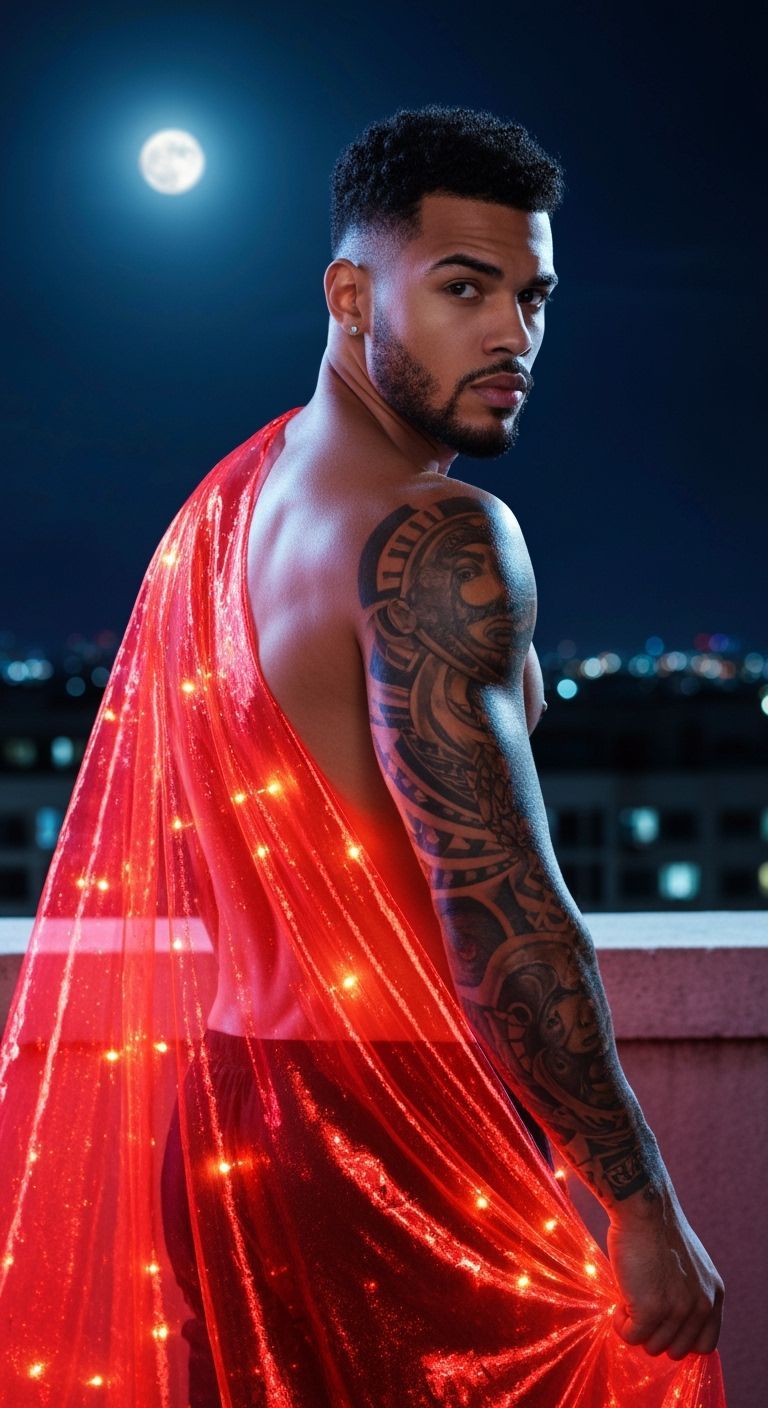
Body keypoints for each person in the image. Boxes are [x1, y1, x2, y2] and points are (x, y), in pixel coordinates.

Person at [0, 105, 725, 1407]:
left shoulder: (230, 511)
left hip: (231, 1131)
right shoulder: (434, 535)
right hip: (398, 1150)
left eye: (533, 294)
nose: (513, 335)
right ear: (349, 294)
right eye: (462, 288)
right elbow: (498, 902)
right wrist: (645, 1202)